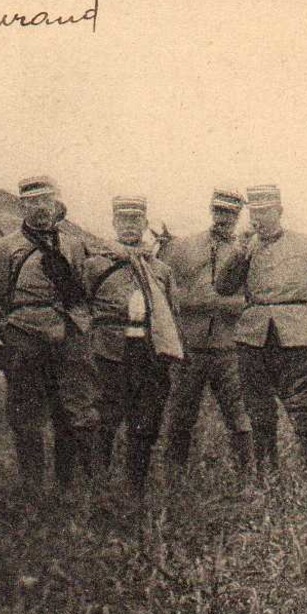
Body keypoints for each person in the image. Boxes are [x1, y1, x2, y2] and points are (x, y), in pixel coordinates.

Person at [0, 177, 99, 490]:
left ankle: (67, 487)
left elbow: (84, 293)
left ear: (55, 203)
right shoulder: (7, 248)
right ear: (22, 205)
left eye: (46, 200)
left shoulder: (73, 245)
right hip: (25, 339)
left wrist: (82, 328)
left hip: (68, 338)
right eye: (33, 202)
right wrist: (1, 334)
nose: (40, 208)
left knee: (69, 414)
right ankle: (33, 490)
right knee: (27, 419)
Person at [214, 184, 307, 474]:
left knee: (301, 407)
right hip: (253, 338)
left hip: (295, 337)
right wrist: (239, 253)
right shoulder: (246, 248)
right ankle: (267, 474)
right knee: (258, 410)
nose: (260, 218)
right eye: (255, 212)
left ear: (279, 211)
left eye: (266, 211)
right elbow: (223, 287)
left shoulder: (306, 244)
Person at [85, 196, 184, 494]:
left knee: (145, 420)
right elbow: (82, 306)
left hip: (149, 352)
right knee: (105, 418)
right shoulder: (94, 264)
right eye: (124, 220)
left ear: (144, 223)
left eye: (136, 220)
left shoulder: (161, 270)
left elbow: (171, 314)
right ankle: (97, 484)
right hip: (109, 351)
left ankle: (134, 487)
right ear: (114, 223)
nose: (130, 226)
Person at [162, 189, 254, 472]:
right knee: (181, 414)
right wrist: (194, 302)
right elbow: (166, 290)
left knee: (240, 414)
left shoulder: (249, 250)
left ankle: (247, 475)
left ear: (238, 216)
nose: (223, 218)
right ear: (210, 210)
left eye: (230, 213)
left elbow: (256, 296)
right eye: (219, 211)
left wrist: (231, 304)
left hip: (231, 348)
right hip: (192, 347)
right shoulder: (184, 247)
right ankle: (173, 476)